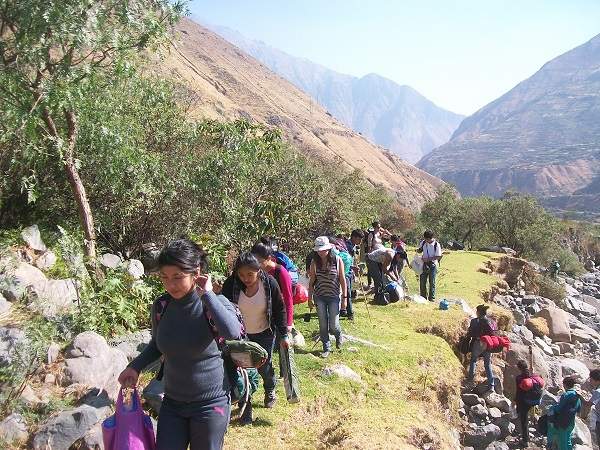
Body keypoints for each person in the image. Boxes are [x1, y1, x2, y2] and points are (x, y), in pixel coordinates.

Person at [118, 239, 242, 450]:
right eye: (164, 277)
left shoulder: (214, 303)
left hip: (210, 404)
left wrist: (207, 294)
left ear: (196, 272)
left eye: (177, 277)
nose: (170, 285)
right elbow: (157, 344)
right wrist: (135, 367)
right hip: (172, 403)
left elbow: (233, 333)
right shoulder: (162, 306)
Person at [221, 253, 289, 424]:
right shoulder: (231, 284)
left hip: (264, 333)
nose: (245, 279)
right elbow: (222, 309)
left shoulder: (269, 283)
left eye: (249, 274)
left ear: (258, 270)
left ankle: (270, 388)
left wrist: (284, 334)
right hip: (240, 336)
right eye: (241, 275)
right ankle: (246, 407)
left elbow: (279, 309)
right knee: (243, 370)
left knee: (264, 367)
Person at [308, 236, 347, 358]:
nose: (321, 252)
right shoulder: (314, 262)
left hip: (334, 296)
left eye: (323, 249)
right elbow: (312, 281)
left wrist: (345, 299)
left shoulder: (337, 260)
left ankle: (338, 335)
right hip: (319, 296)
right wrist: (309, 298)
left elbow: (343, 280)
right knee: (323, 324)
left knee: (333, 325)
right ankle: (326, 347)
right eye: (319, 250)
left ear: (328, 249)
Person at [514, 360, 545, 447]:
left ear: (519, 368)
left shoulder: (519, 378)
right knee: (528, 414)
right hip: (534, 400)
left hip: (524, 401)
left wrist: (515, 401)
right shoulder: (533, 375)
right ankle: (534, 421)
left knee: (524, 420)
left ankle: (525, 440)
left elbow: (519, 392)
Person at [466, 304, 495, 391]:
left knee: (473, 360)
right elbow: (493, 333)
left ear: (478, 312)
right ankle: (491, 385)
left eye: (476, 311)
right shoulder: (491, 321)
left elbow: (470, 333)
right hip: (488, 343)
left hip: (478, 343)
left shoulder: (474, 321)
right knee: (487, 364)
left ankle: (470, 381)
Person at [548, 376, 582, 450]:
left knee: (562, 442)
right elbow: (579, 409)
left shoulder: (565, 395)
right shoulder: (577, 395)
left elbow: (559, 409)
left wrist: (553, 408)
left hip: (563, 422)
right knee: (568, 440)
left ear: (565, 385)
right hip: (571, 422)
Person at [332, 238, 355, 320]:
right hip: (340, 274)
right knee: (343, 293)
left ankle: (349, 313)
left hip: (345, 274)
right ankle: (342, 311)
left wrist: (352, 268)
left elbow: (347, 263)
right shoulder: (335, 251)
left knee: (347, 293)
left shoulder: (342, 253)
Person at [416, 230, 443, 302]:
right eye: (425, 239)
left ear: (431, 238)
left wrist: (428, 259)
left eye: (427, 239)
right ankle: (423, 297)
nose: (426, 240)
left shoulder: (436, 245)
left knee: (432, 282)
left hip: (433, 265)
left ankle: (431, 298)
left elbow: (438, 256)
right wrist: (418, 250)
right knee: (422, 282)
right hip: (424, 264)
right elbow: (420, 250)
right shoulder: (423, 242)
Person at [581, 368, 600, 450]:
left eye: (591, 379)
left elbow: (588, 404)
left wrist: (580, 396)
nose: (590, 381)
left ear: (597, 381)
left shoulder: (598, 392)